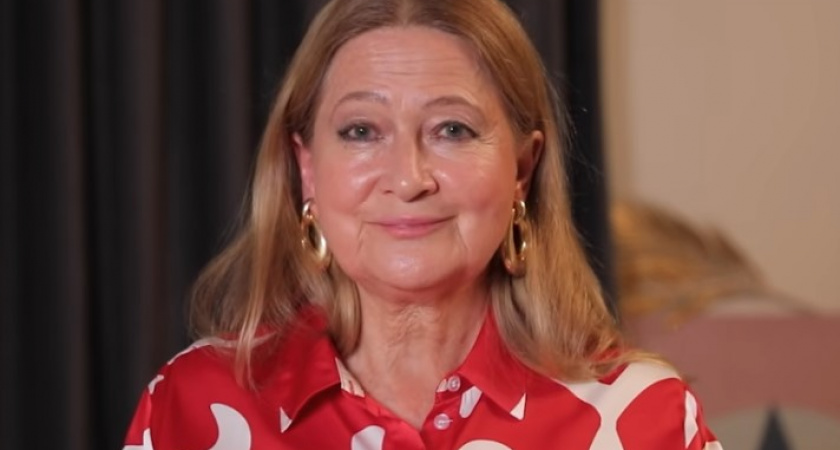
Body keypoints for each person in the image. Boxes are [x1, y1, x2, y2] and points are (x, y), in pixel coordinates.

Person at [123, 0, 722, 448]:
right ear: (307, 170)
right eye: (362, 131)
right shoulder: (189, 407)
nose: (408, 178)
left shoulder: (647, 418)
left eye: (452, 130)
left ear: (522, 169)